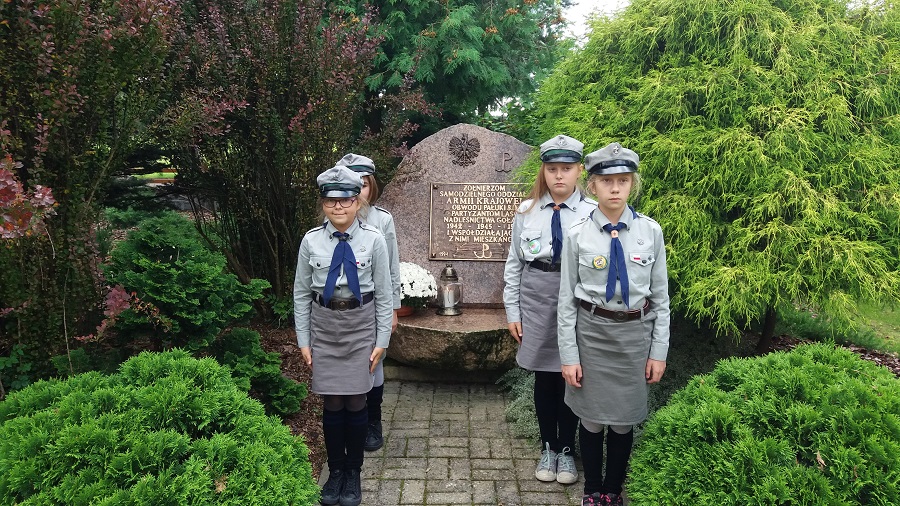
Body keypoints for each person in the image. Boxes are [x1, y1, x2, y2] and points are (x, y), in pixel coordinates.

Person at [557, 142, 670, 506]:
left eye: (623, 180)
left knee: (623, 421)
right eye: (607, 181)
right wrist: (569, 356)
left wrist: (659, 351)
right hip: (592, 335)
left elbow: (661, 299)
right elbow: (566, 301)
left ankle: (613, 490)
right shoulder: (577, 234)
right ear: (592, 185)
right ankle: (592, 490)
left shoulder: (650, 232)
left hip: (634, 336)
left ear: (632, 184)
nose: (616, 188)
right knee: (591, 419)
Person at [294, 165, 393, 506]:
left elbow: (384, 294)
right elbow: (301, 294)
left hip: (360, 324)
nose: (338, 207)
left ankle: (353, 472)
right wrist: (304, 339)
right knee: (332, 401)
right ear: (322, 203)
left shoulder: (374, 240)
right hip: (324, 326)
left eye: (346, 200)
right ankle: (335, 471)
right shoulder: (310, 241)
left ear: (357, 202)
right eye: (330, 201)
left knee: (356, 400)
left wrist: (382, 341)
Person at [503, 134, 596, 485]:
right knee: (544, 376)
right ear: (544, 171)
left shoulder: (592, 213)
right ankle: (548, 447)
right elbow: (514, 264)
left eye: (566, 169)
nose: (559, 175)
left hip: (576, 297)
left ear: (579, 170)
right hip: (537, 297)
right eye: (553, 168)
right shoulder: (526, 212)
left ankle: (566, 449)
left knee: (571, 375)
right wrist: (513, 311)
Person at [335, 153, 401, 452]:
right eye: (351, 184)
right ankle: (347, 419)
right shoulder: (332, 218)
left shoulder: (382, 220)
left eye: (362, 184)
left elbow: (391, 267)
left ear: (371, 186)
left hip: (373, 304)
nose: (357, 191)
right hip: (339, 307)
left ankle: (373, 420)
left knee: (374, 361)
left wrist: (394, 309)